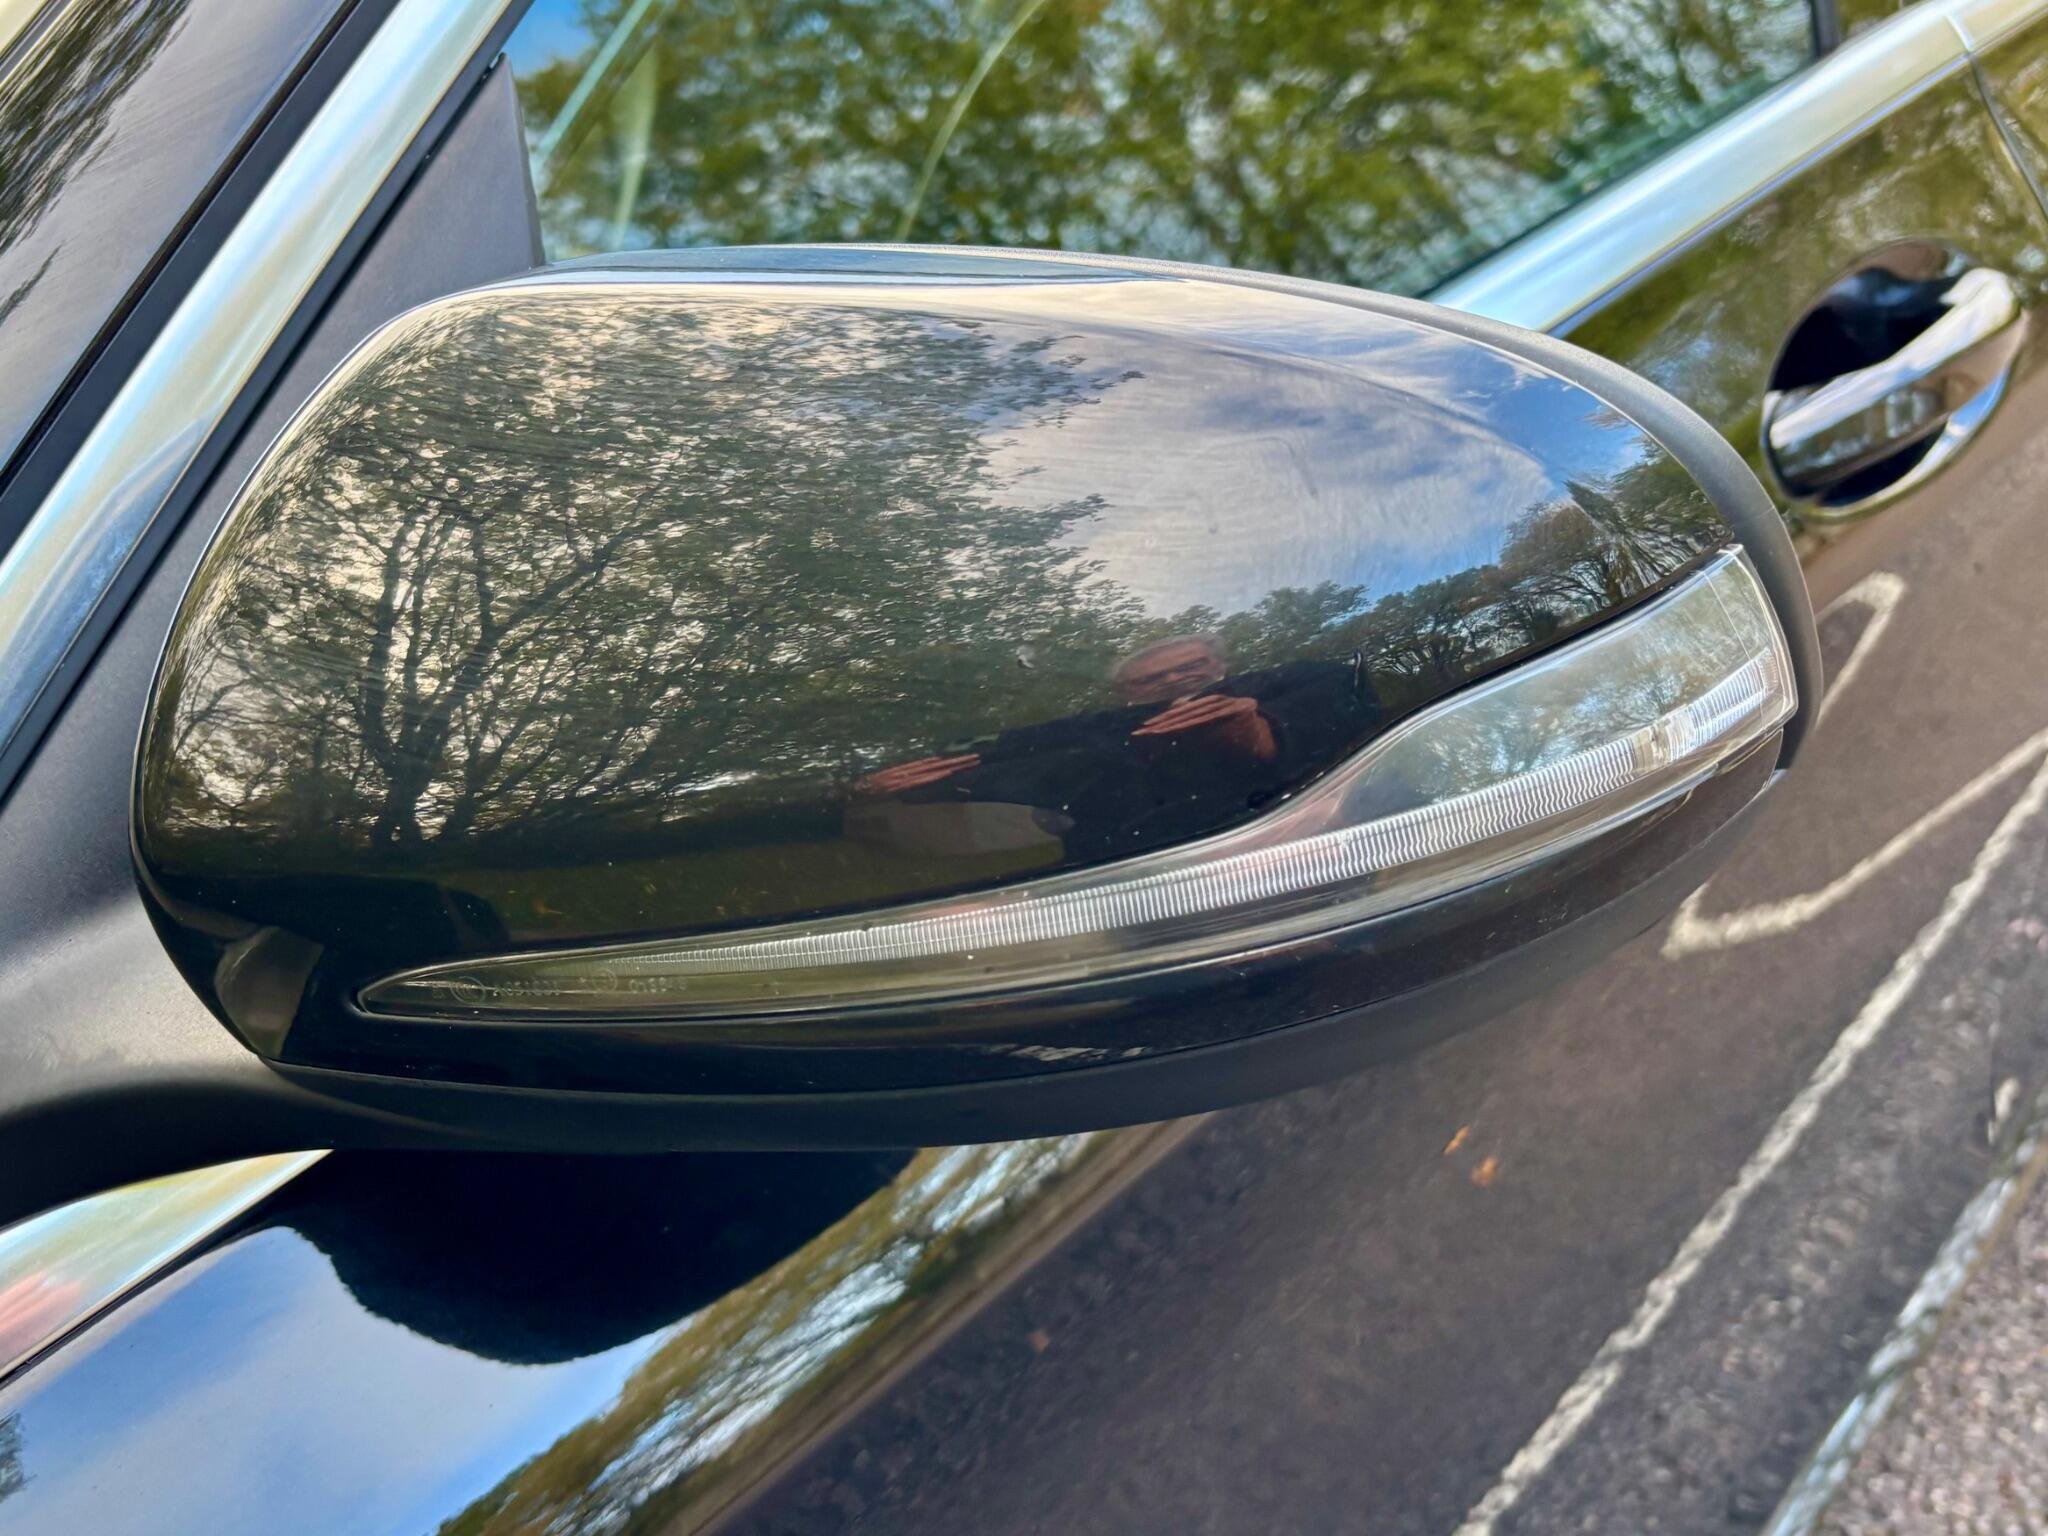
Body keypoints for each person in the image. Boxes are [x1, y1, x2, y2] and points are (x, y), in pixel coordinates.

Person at [851, 634, 1380, 864]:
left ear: (1220, 666)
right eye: (1152, 679)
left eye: (1190, 667)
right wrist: (920, 779)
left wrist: (1265, 731)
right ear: (1124, 693)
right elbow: (998, 755)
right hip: (1119, 872)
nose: (1173, 681)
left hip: (1301, 845)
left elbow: (1347, 703)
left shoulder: (1287, 681)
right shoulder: (1090, 728)